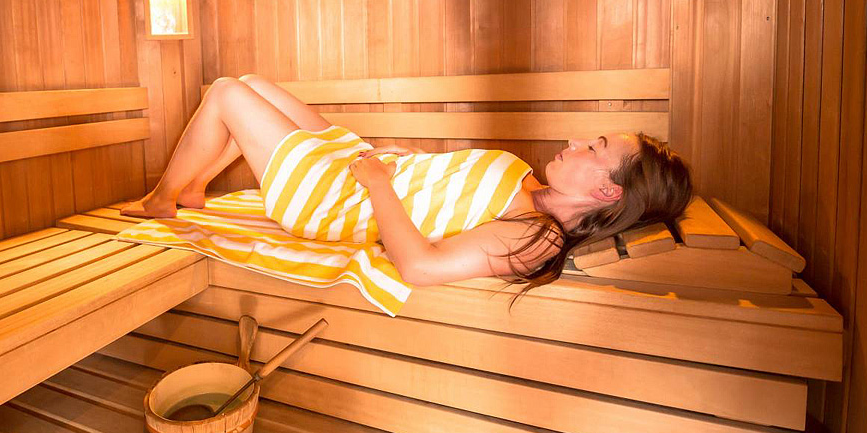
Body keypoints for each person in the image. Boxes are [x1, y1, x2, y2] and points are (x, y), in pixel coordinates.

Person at [122, 74, 693, 295]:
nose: (576, 141)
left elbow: (420, 266)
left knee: (226, 92)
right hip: (366, 171)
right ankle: (195, 187)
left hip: (334, 201)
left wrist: (377, 183)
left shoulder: (536, 236)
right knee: (253, 83)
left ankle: (162, 199)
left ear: (608, 192)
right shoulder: (528, 183)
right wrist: (405, 161)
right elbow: (450, 190)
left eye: (595, 148)